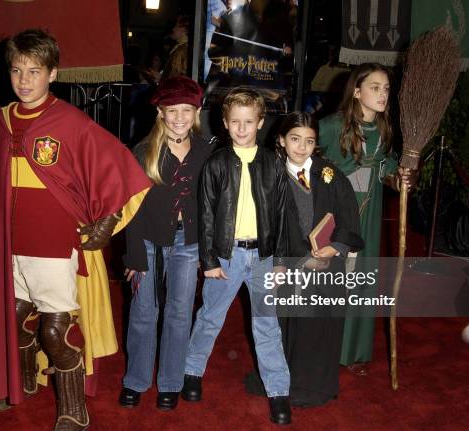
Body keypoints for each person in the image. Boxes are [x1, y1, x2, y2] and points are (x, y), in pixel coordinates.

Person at [0, 29, 151, 430]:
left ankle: (72, 407)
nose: (24, 80)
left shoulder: (70, 121)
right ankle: (22, 380)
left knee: (56, 329)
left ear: (52, 73)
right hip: (9, 244)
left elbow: (120, 168)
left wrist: (106, 221)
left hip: (53, 245)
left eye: (34, 71)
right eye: (17, 71)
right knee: (13, 317)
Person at [180, 88, 292, 425]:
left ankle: (278, 391)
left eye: (249, 122)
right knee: (209, 318)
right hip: (226, 257)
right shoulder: (215, 164)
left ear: (260, 123)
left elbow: (284, 215)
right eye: (235, 122)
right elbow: (207, 217)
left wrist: (282, 260)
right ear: (225, 124)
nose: (242, 128)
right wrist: (210, 260)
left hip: (263, 257)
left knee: (267, 326)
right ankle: (191, 372)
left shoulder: (274, 164)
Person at [119, 76, 211, 411]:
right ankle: (136, 380)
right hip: (146, 242)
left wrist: (207, 251)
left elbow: (210, 206)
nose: (179, 117)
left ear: (195, 112)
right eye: (172, 110)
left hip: (188, 244)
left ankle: (171, 381)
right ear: (160, 112)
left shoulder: (206, 151)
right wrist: (133, 256)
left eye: (186, 109)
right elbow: (131, 207)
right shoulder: (143, 151)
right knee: (143, 312)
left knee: (179, 311)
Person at [318, 63, 416, 376]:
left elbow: (384, 165)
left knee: (361, 279)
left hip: (369, 214)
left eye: (386, 88)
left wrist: (399, 179)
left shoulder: (385, 129)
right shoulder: (332, 126)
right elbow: (304, 157)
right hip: (336, 212)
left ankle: (353, 352)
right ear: (357, 91)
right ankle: (321, 348)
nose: (383, 94)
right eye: (375, 87)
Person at [274, 112, 363, 406]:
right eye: (295, 139)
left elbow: (348, 214)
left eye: (309, 141)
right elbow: (269, 225)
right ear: (282, 140)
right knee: (293, 325)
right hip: (291, 265)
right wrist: (295, 259)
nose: (302, 147)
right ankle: (287, 383)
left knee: (322, 324)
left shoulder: (329, 174)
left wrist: (335, 247)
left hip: (326, 264)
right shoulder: (272, 176)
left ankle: (318, 385)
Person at [161, 15, 190, 79]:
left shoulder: (182, 49)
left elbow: (176, 77)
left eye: (176, 26)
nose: (173, 29)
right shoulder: (182, 47)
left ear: (184, 29)